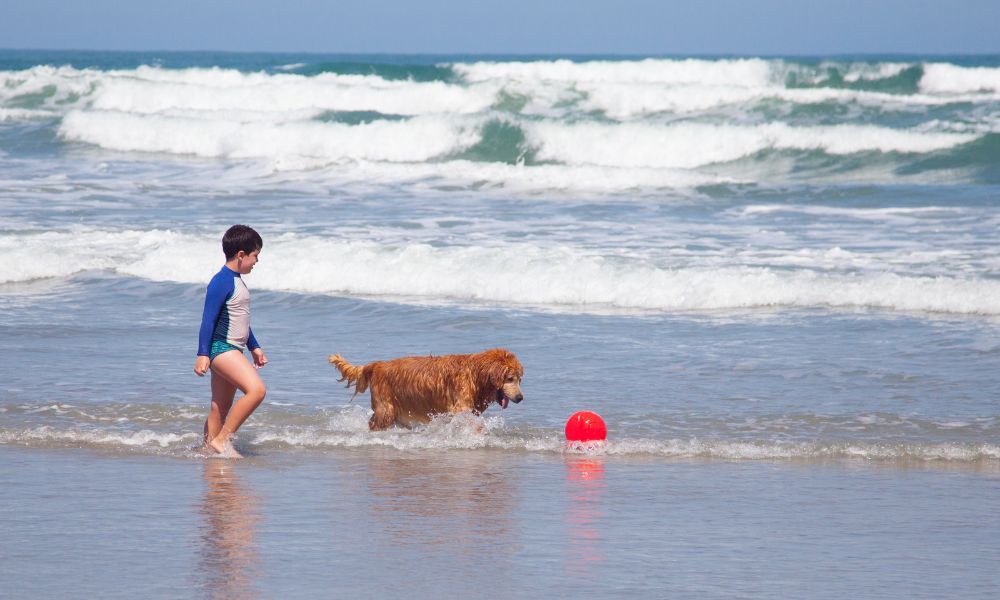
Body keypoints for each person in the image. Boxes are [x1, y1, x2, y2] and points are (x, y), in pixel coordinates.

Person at [194, 224, 268, 457]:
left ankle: (209, 451)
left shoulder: (236, 280)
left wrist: (254, 346)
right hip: (222, 349)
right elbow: (208, 319)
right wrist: (202, 353)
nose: (256, 261)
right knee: (256, 390)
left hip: (232, 348)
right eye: (255, 255)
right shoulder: (221, 281)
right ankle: (223, 440)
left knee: (220, 407)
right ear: (241, 255)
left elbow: (240, 319)